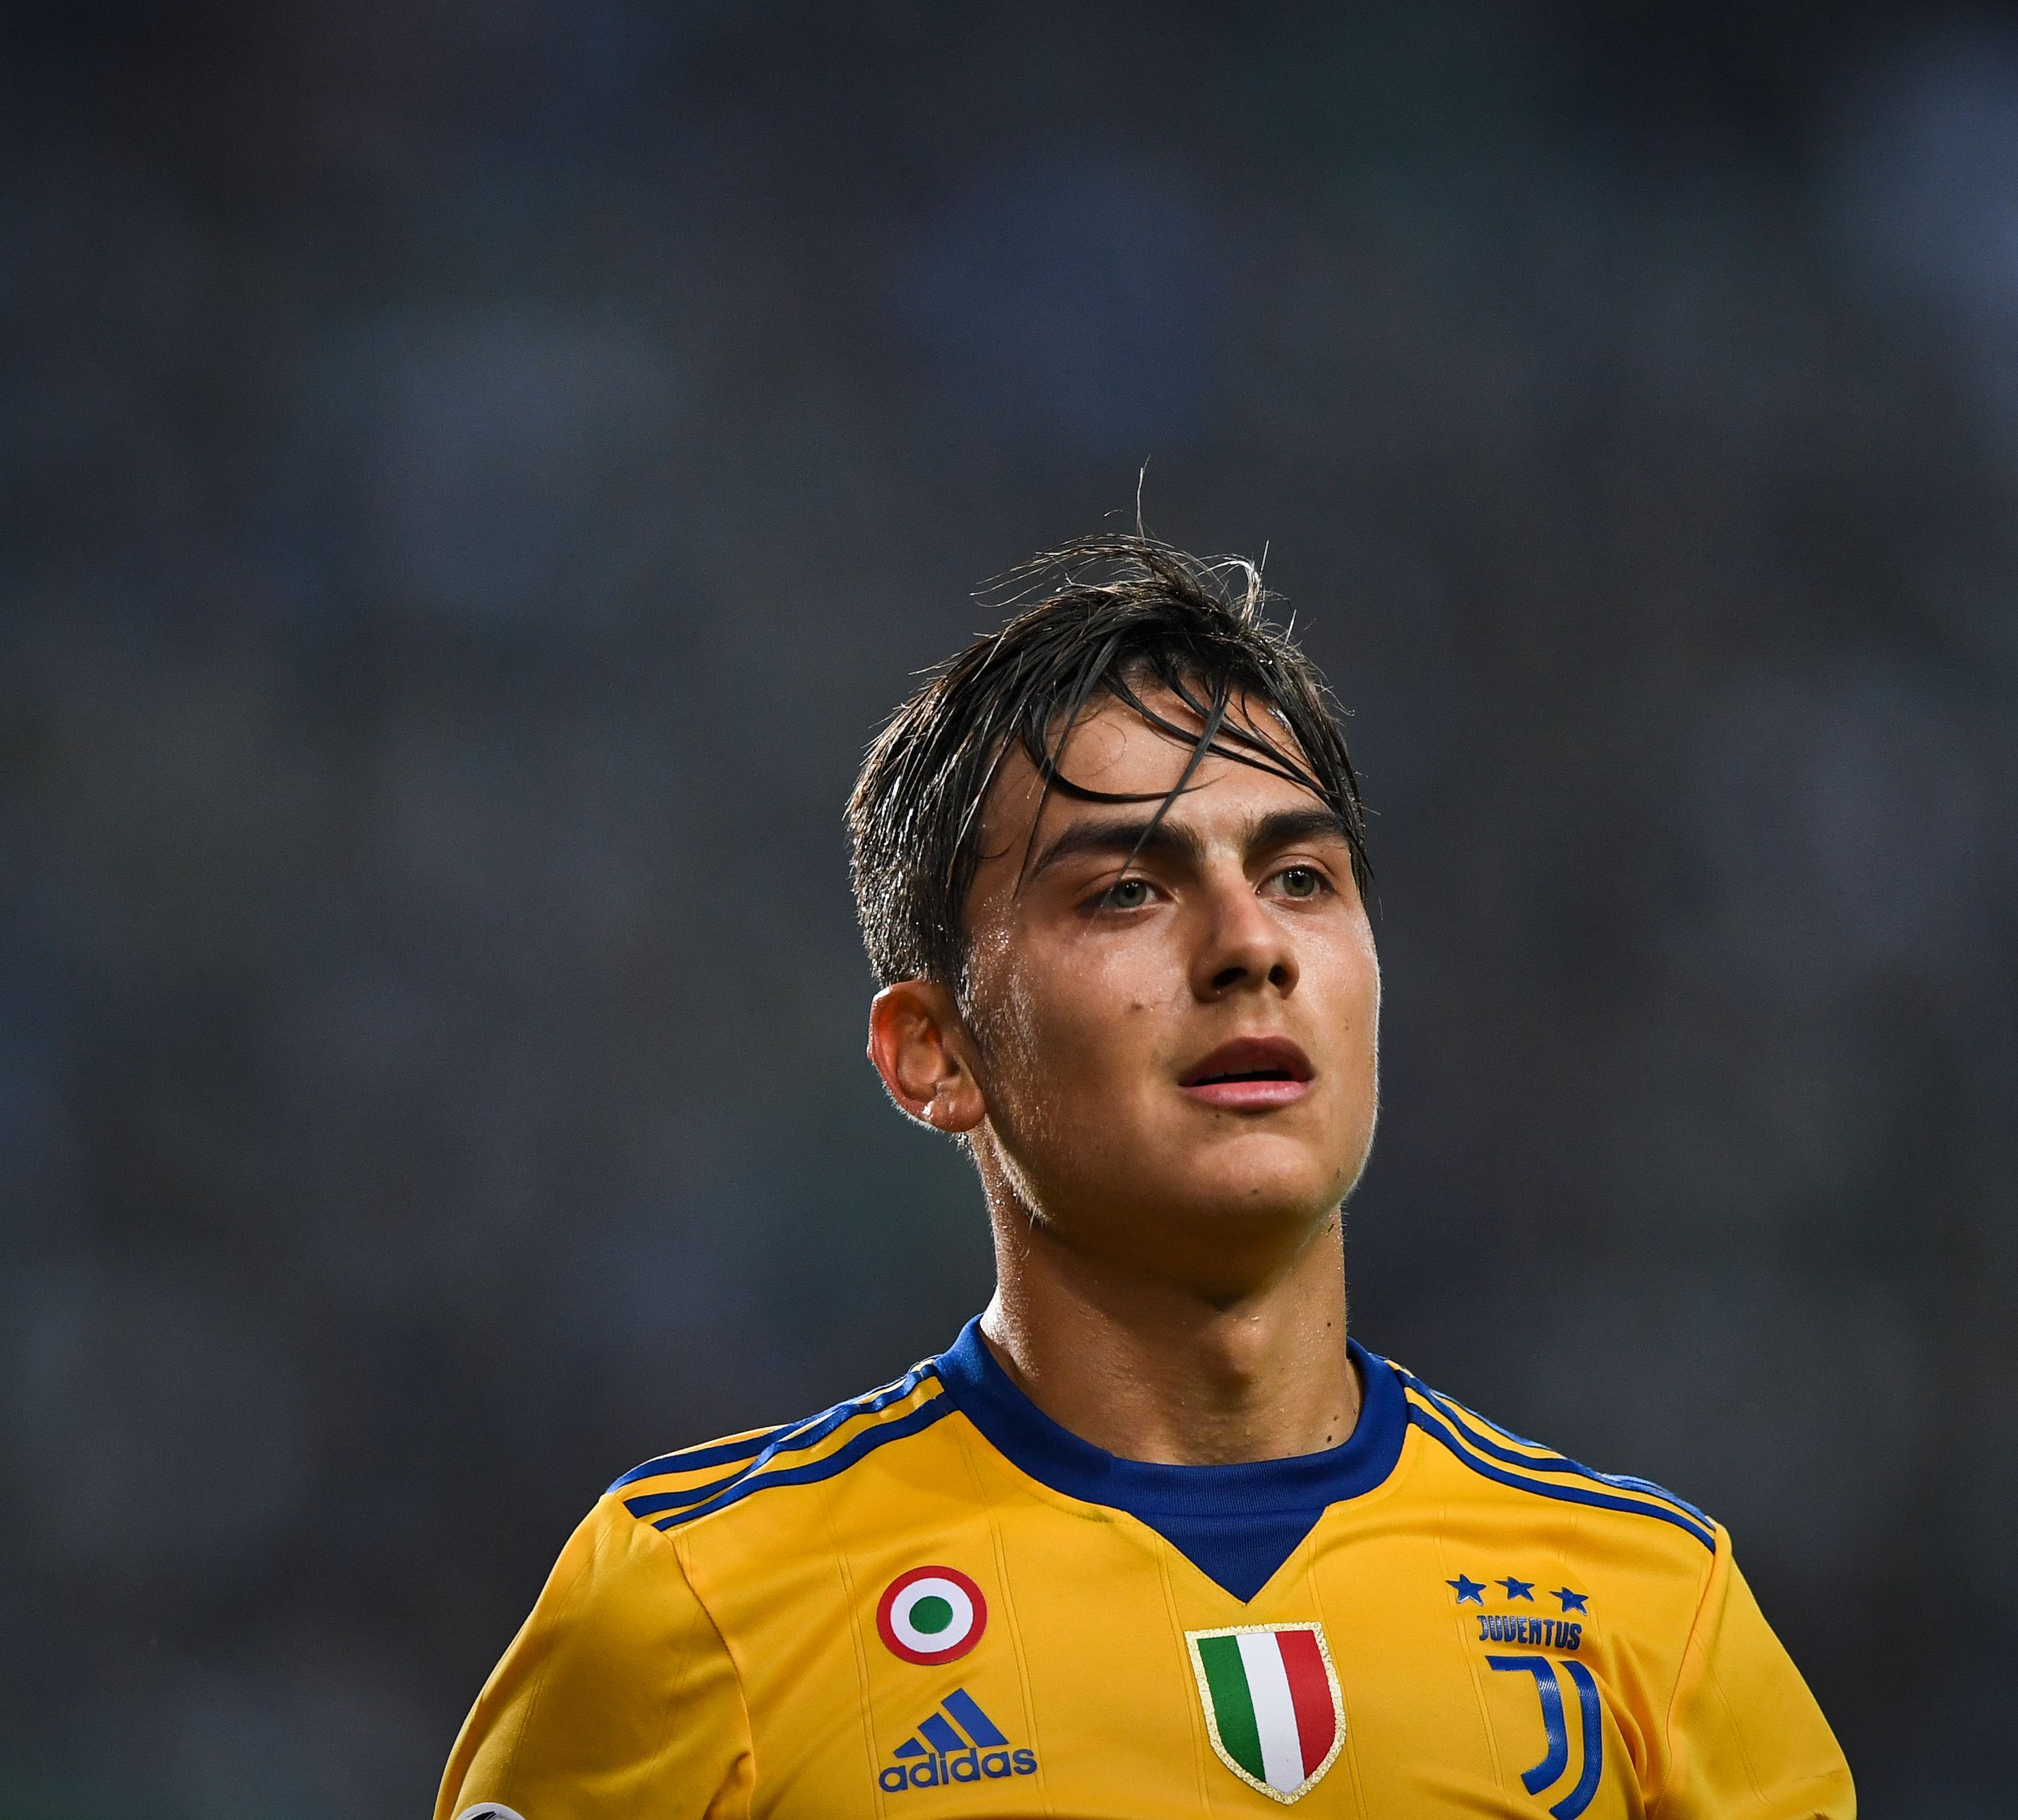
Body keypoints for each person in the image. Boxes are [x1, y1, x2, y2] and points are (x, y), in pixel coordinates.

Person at [434, 536, 1853, 1819]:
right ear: (934, 1053)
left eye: (1301, 875)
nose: (1250, 944)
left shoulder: (1651, 1619)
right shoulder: (693, 1607)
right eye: (1126, 888)